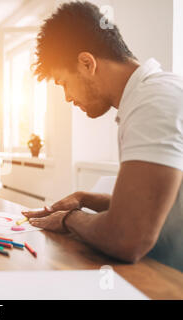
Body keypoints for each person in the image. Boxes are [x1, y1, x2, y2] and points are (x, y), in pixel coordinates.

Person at [22, 2, 183, 271]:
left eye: (63, 83)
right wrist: (87, 198)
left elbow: (127, 238)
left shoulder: (153, 105)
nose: (68, 98)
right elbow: (162, 206)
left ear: (87, 63)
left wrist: (68, 219)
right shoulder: (156, 93)